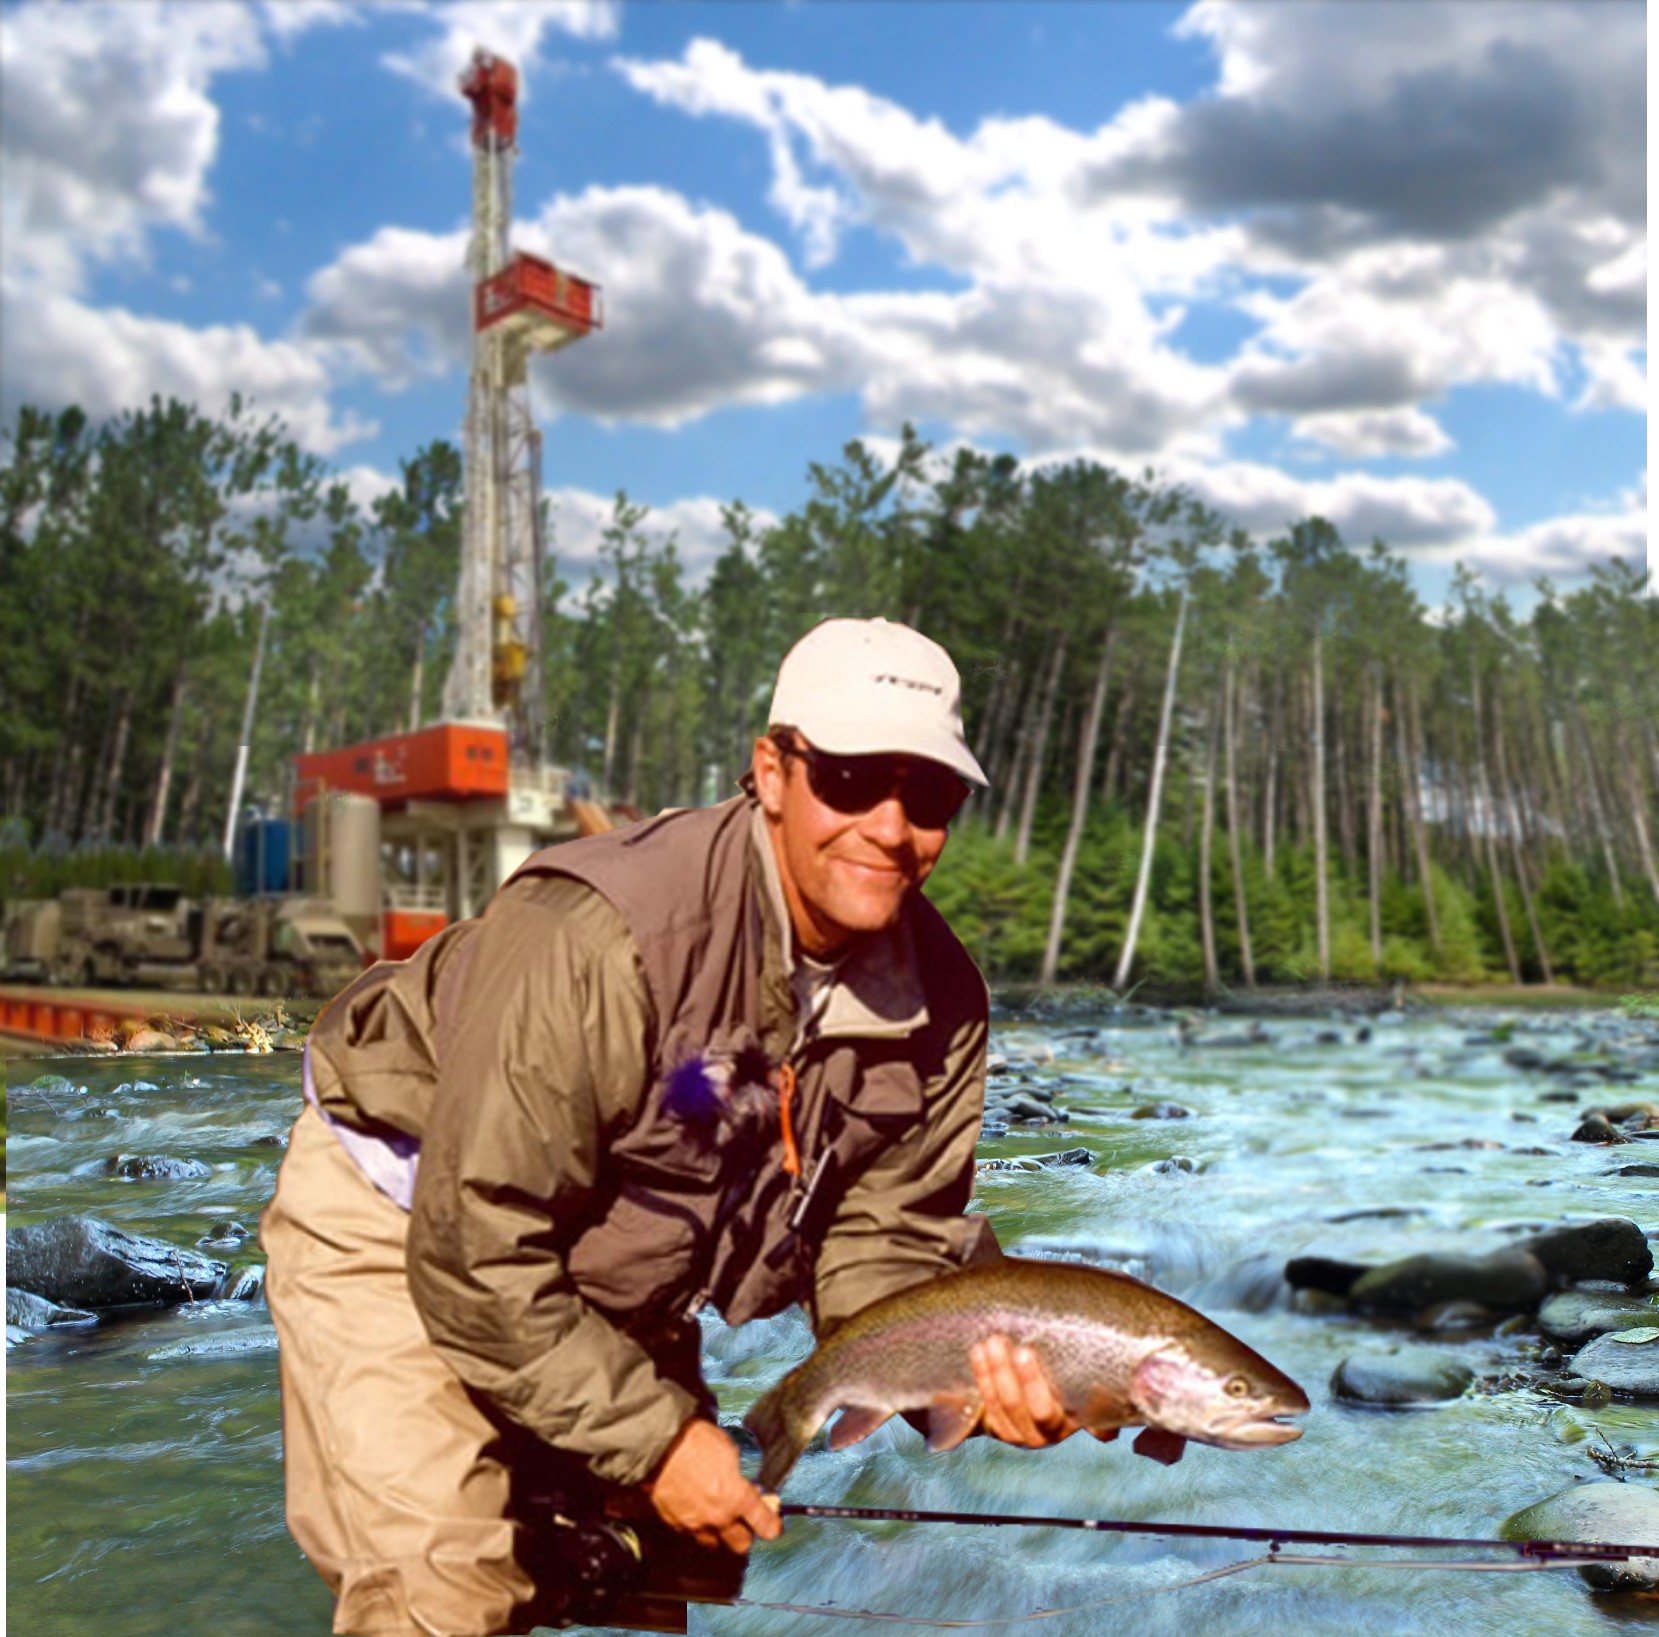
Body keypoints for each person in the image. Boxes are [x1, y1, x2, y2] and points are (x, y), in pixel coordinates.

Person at [262, 616, 1085, 1637]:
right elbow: (477, 1249)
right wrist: (655, 1439)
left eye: (929, 795)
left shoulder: (942, 1001)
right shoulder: (596, 935)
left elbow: (883, 1246)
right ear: (771, 771)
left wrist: (959, 1376)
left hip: (619, 1243)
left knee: (660, 1568)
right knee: (446, 1589)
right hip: (404, 1206)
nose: (889, 825)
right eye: (850, 779)